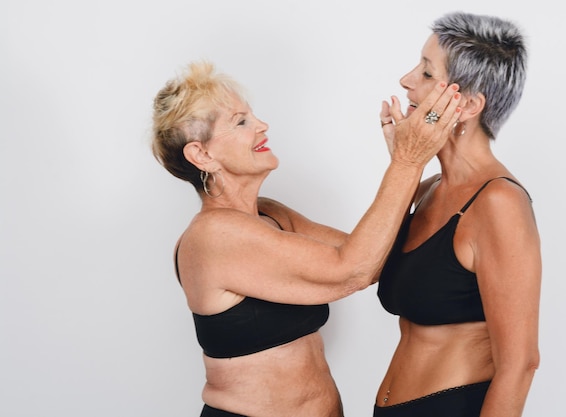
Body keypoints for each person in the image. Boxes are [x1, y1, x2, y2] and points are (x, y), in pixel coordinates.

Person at [151, 60, 461, 417]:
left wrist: (405, 164)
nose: (262, 126)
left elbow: (372, 259)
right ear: (201, 154)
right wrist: (407, 163)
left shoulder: (269, 214)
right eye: (241, 121)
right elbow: (352, 270)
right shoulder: (212, 236)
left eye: (252, 116)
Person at [373, 11, 541, 417]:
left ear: (466, 105)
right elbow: (360, 266)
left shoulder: (499, 204)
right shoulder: (429, 189)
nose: (407, 80)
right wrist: (403, 167)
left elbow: (520, 365)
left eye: (427, 73)